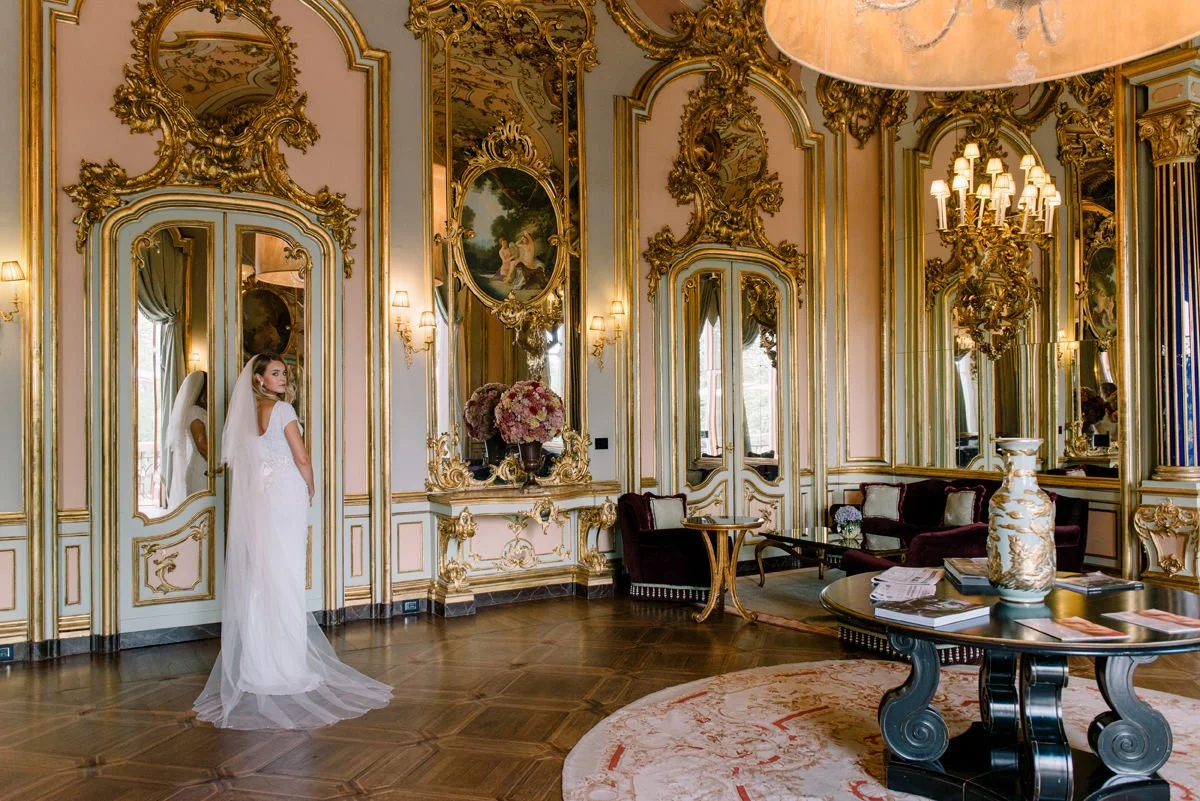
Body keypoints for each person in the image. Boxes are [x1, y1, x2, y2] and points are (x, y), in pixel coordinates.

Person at [193, 353, 392, 729]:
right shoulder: (282, 410)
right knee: (284, 574)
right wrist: (311, 484)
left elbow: (241, 460)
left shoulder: (245, 414)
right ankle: (284, 665)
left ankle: (257, 663)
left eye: (284, 373)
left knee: (264, 575)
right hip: (285, 494)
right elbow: (300, 456)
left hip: (261, 498)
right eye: (275, 373)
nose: (282, 378)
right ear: (259, 379)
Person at [165, 370, 208, 510]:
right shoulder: (194, 411)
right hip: (201, 467)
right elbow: (202, 446)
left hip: (205, 467)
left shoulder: (203, 411)